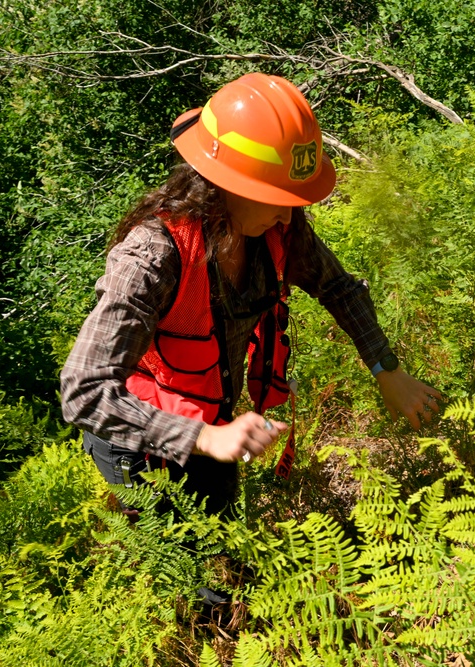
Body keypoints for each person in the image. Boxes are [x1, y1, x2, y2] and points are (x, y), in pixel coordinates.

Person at [60, 72, 442, 517]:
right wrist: (204, 438)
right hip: (137, 441)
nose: (288, 213)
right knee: (186, 569)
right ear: (224, 186)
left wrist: (386, 369)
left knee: (223, 545)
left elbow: (339, 288)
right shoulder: (153, 255)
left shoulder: (278, 230)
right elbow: (83, 390)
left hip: (210, 428)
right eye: (274, 196)